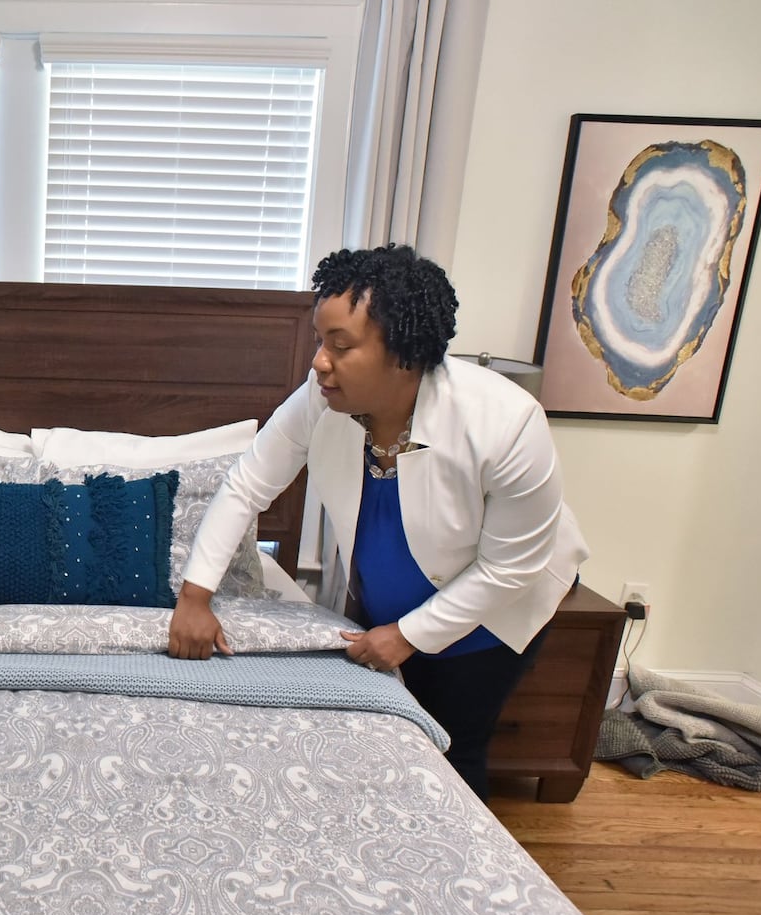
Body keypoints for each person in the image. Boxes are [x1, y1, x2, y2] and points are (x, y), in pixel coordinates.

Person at [167, 243, 588, 800]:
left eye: (339, 345)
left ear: (405, 355)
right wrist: (195, 597)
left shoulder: (506, 424)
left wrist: (412, 636)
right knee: (383, 735)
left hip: (493, 609)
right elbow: (247, 485)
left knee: (454, 746)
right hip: (392, 598)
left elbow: (511, 566)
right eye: (321, 340)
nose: (319, 360)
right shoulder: (323, 399)